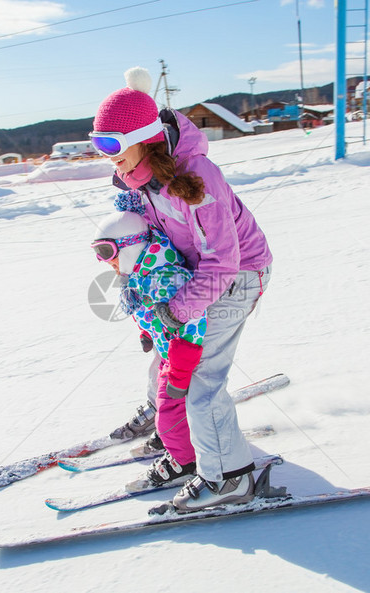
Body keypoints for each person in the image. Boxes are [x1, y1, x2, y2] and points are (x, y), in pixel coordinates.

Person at [91, 67, 273, 513]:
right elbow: (155, 247)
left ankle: (229, 480)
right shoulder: (139, 182)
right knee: (168, 358)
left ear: (146, 137)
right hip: (196, 274)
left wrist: (178, 311)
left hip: (237, 274)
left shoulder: (197, 175)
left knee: (201, 382)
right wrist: (154, 313)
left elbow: (223, 262)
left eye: (115, 146)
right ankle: (183, 444)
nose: (109, 158)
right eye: (101, 147)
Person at [91, 206, 206, 491]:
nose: (107, 263)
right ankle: (174, 436)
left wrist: (180, 365)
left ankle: (184, 462)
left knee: (170, 409)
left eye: (108, 253)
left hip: (185, 360)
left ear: (131, 246)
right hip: (170, 354)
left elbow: (194, 323)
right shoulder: (142, 275)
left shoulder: (165, 278)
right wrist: (147, 332)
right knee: (163, 399)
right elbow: (145, 310)